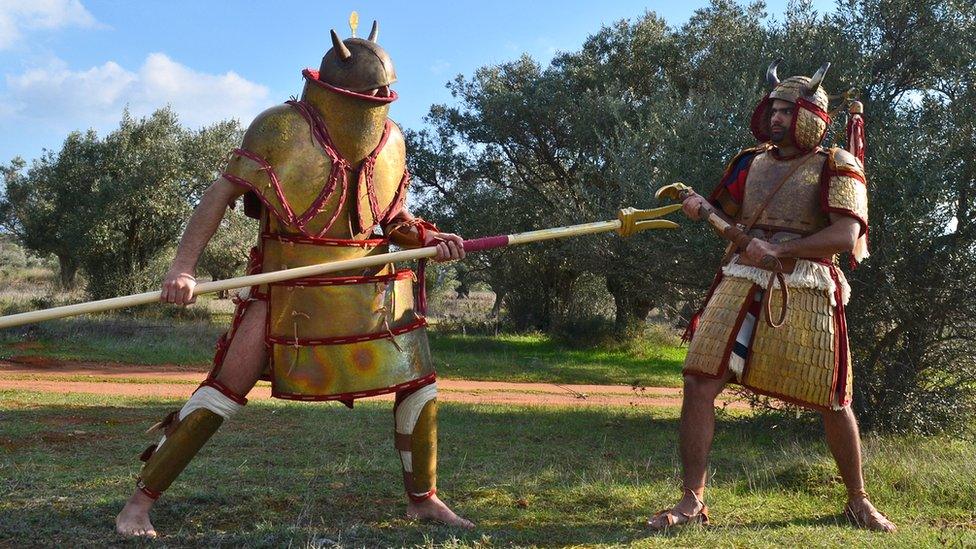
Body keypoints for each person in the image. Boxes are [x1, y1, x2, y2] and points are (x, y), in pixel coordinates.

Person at [115, 19, 474, 537]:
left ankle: (424, 500)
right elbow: (220, 195)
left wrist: (431, 242)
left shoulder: (393, 141)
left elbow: (393, 221)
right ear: (337, 88)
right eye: (371, 91)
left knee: (418, 382)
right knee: (225, 388)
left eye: (385, 91)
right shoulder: (279, 128)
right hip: (286, 285)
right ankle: (138, 504)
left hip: (366, 287)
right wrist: (182, 268)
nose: (380, 99)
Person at [648, 60, 895, 533]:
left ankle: (858, 500)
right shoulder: (749, 162)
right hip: (741, 277)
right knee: (700, 379)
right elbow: (724, 214)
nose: (776, 117)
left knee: (834, 398)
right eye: (774, 109)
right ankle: (691, 500)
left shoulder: (838, 164)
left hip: (806, 283)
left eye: (787, 110)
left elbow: (845, 234)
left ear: (810, 116)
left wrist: (782, 248)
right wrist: (700, 208)